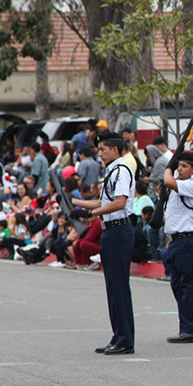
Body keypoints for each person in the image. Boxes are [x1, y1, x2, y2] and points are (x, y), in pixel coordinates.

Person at [70, 132, 136, 356]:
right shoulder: (112, 170)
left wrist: (91, 214)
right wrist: (76, 203)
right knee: (112, 287)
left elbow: (119, 203)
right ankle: (118, 335)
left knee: (119, 286)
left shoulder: (122, 170)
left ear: (115, 150)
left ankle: (126, 339)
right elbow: (103, 201)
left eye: (103, 150)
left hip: (119, 229)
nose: (99, 153)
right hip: (110, 230)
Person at [162, 151, 193, 344]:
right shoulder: (183, 186)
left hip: (188, 240)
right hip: (178, 240)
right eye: (178, 165)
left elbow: (168, 181)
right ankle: (187, 326)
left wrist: (168, 168)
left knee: (187, 285)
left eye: (184, 166)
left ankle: (191, 330)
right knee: (178, 284)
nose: (179, 169)